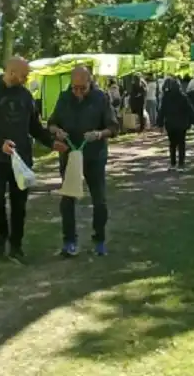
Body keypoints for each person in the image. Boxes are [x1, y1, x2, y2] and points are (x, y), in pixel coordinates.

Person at [0, 57, 64, 262]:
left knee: (19, 204)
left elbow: (34, 126)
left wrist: (51, 143)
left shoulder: (25, 96)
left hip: (21, 160)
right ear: (11, 72)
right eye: (24, 75)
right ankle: (2, 234)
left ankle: (16, 245)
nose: (27, 78)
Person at [49, 66, 119, 257]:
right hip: (69, 155)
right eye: (74, 88)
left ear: (91, 82)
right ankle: (69, 241)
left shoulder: (101, 98)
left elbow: (113, 127)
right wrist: (57, 131)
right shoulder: (64, 98)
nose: (78, 92)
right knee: (68, 198)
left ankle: (99, 240)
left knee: (99, 199)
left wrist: (98, 134)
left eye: (82, 88)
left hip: (94, 156)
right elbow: (52, 123)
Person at [157, 77, 194, 171]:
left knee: (172, 144)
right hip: (182, 124)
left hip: (170, 124)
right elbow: (190, 110)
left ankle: (173, 163)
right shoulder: (183, 97)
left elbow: (162, 111)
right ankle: (181, 164)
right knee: (181, 144)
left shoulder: (166, 97)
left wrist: (160, 124)